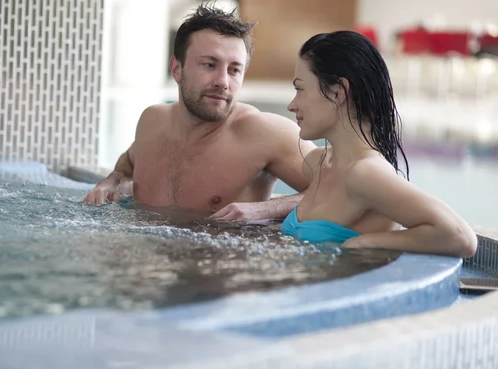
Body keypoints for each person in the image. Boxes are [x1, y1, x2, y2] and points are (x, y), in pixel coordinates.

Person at [83, 4, 317, 221]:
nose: (223, 82)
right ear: (177, 68)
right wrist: (111, 182)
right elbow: (128, 163)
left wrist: (263, 209)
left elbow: (344, 186)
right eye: (209, 65)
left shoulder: (267, 133)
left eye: (234, 69)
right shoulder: (152, 121)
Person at [280, 31, 477, 258]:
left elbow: (461, 237)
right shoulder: (317, 163)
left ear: (337, 92)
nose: (292, 105)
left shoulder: (365, 174)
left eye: (300, 89)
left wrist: (364, 243)